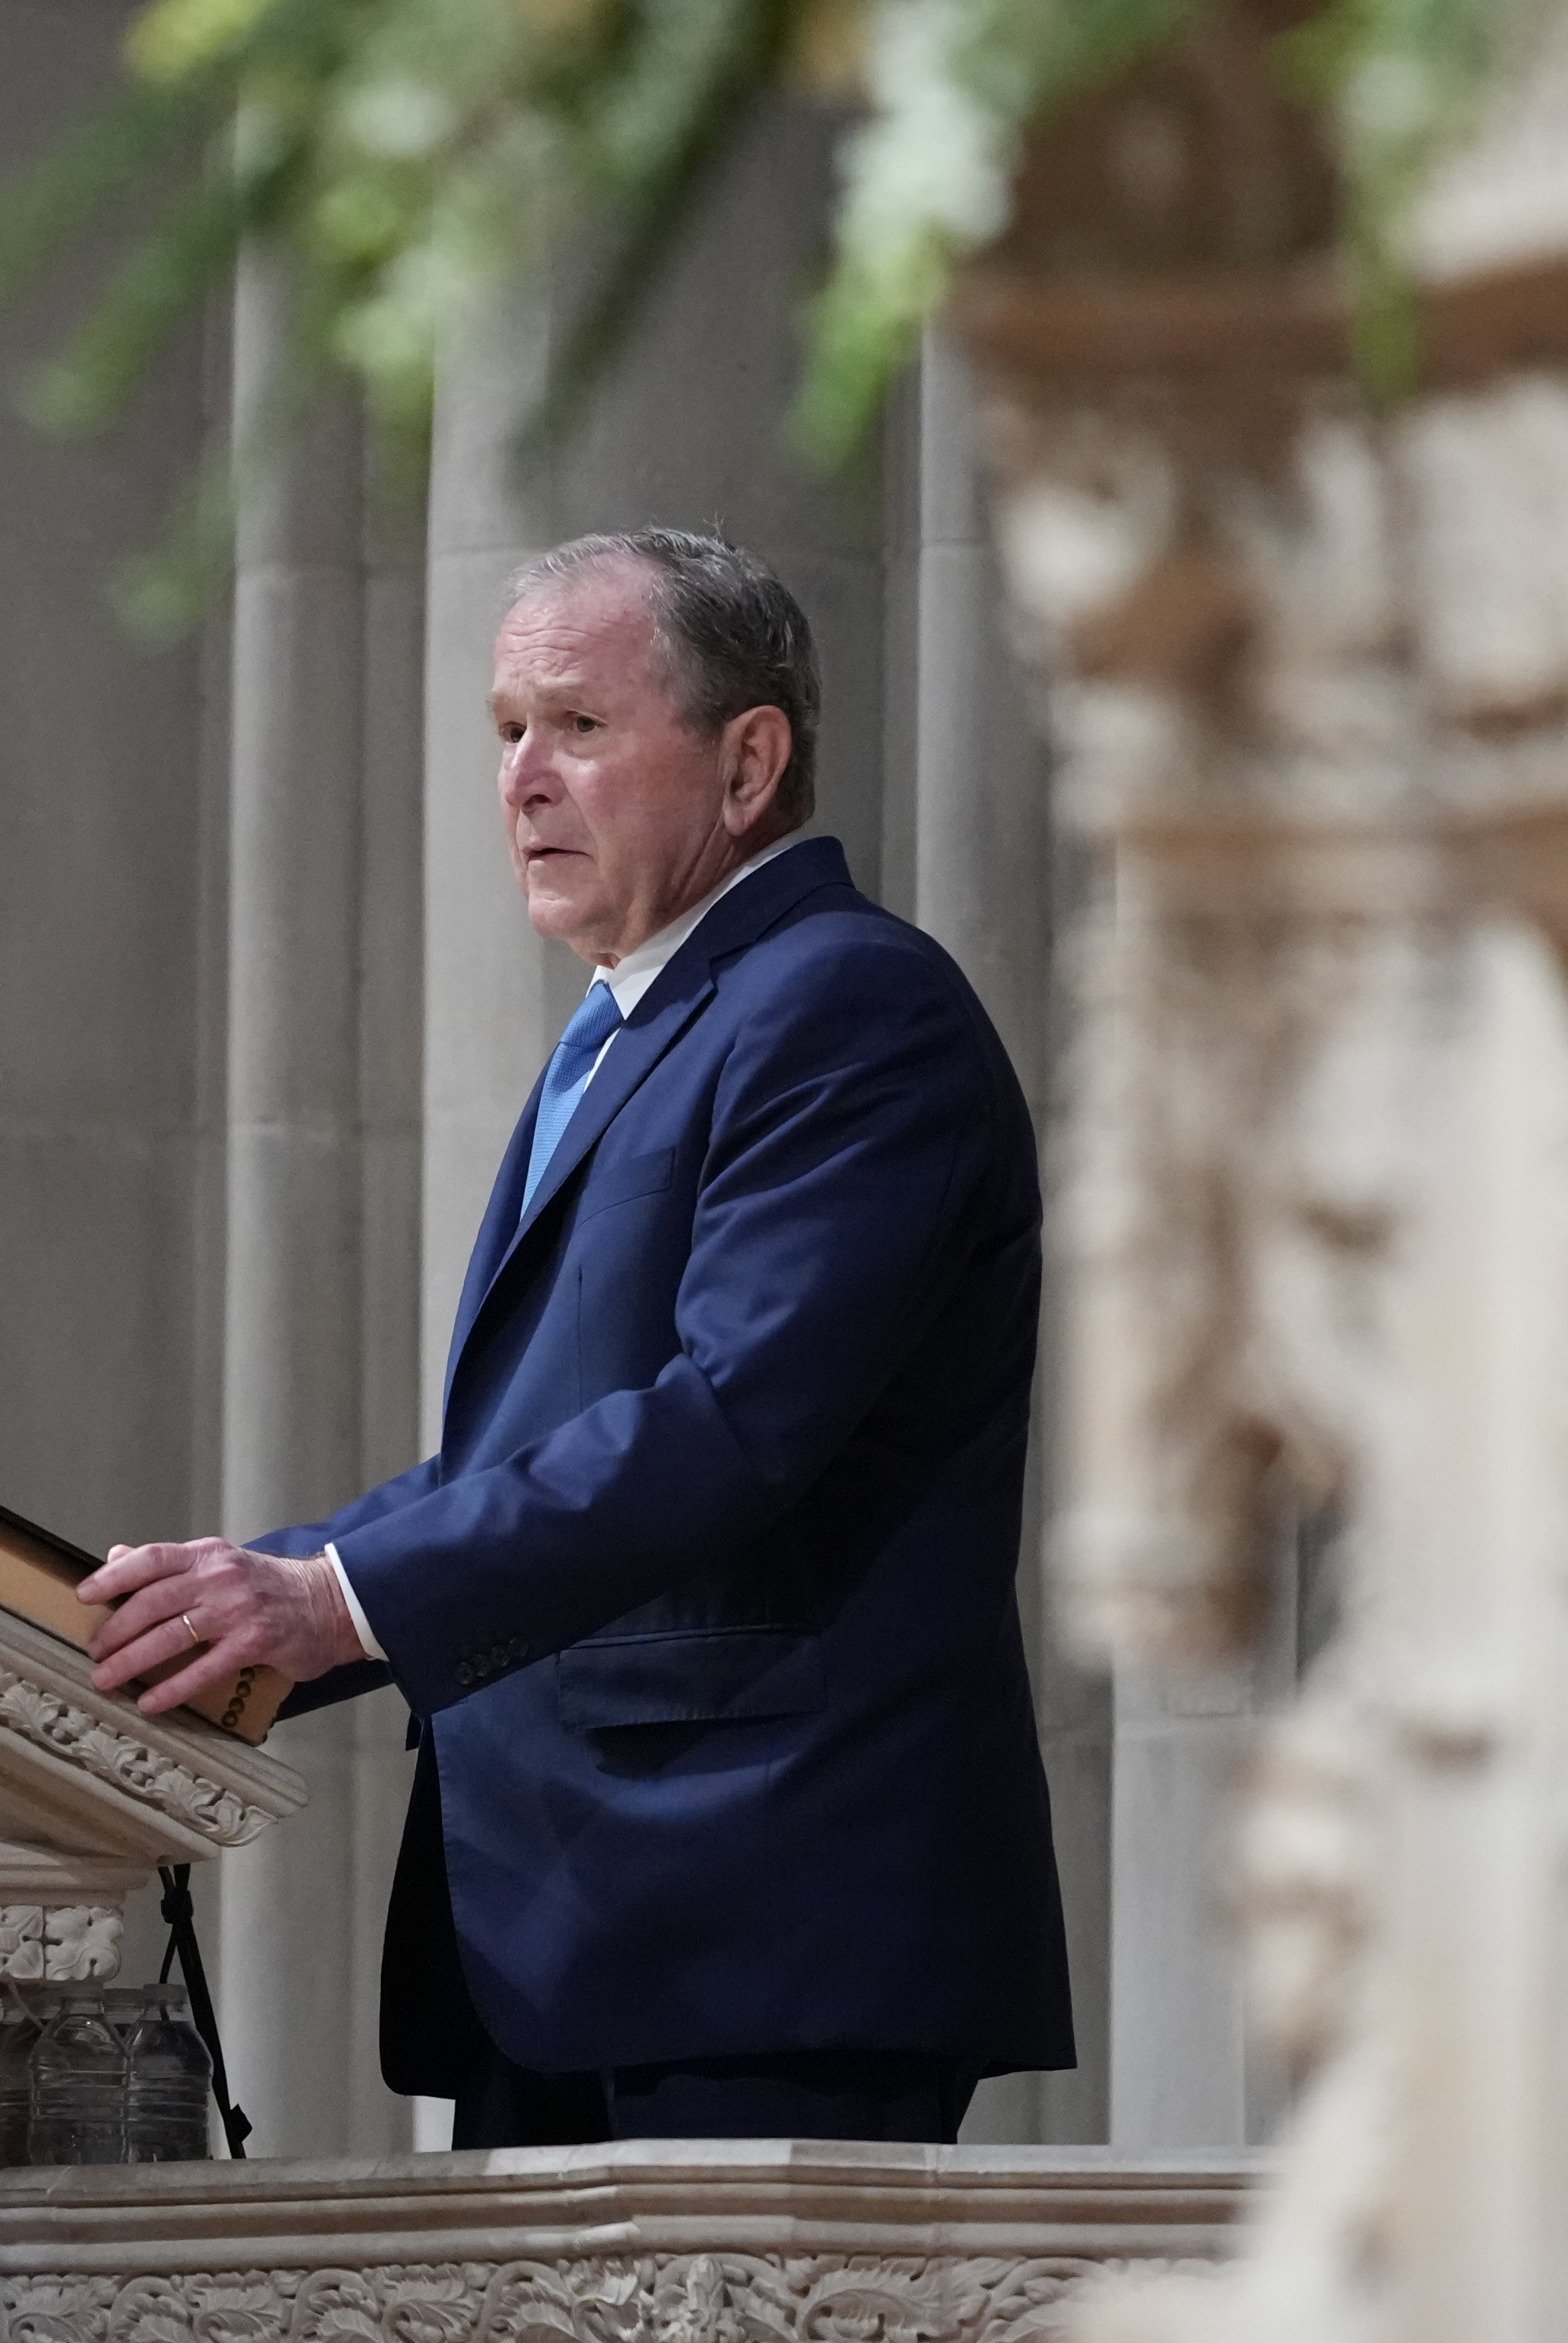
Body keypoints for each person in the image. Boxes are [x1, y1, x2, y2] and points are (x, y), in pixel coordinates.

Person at [80, 527, 1071, 2144]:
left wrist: (336, 1603)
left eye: (580, 727)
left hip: (762, 1914)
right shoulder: (628, 1030)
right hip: (589, 1920)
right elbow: (526, 1458)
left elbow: (733, 1420)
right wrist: (226, 1615)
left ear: (750, 762)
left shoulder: (847, 1005)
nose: (524, 779)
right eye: (505, 732)